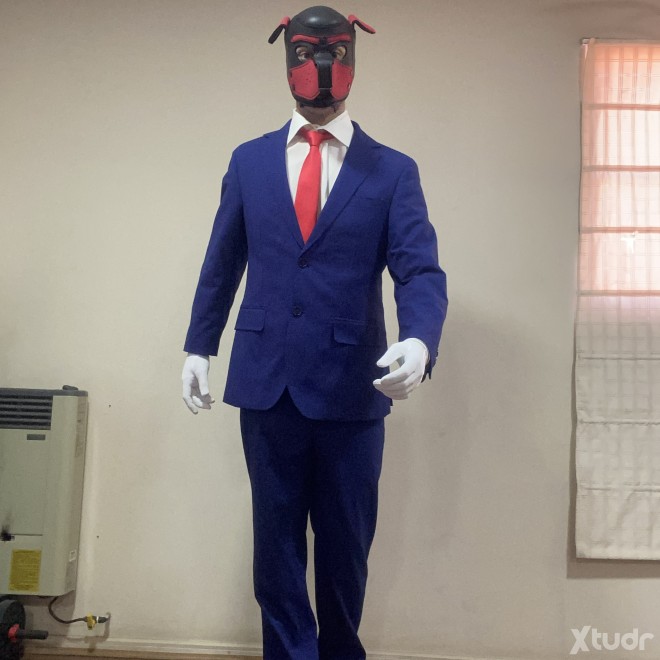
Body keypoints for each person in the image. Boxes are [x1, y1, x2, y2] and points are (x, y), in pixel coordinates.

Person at [181, 6, 448, 659]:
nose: (321, 66)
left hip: (353, 390)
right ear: (287, 59)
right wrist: (199, 345)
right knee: (274, 552)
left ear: (352, 58)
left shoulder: (392, 171)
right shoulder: (249, 162)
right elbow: (222, 262)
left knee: (345, 549)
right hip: (266, 385)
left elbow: (419, 270)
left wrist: (419, 339)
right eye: (306, 52)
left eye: (335, 52)